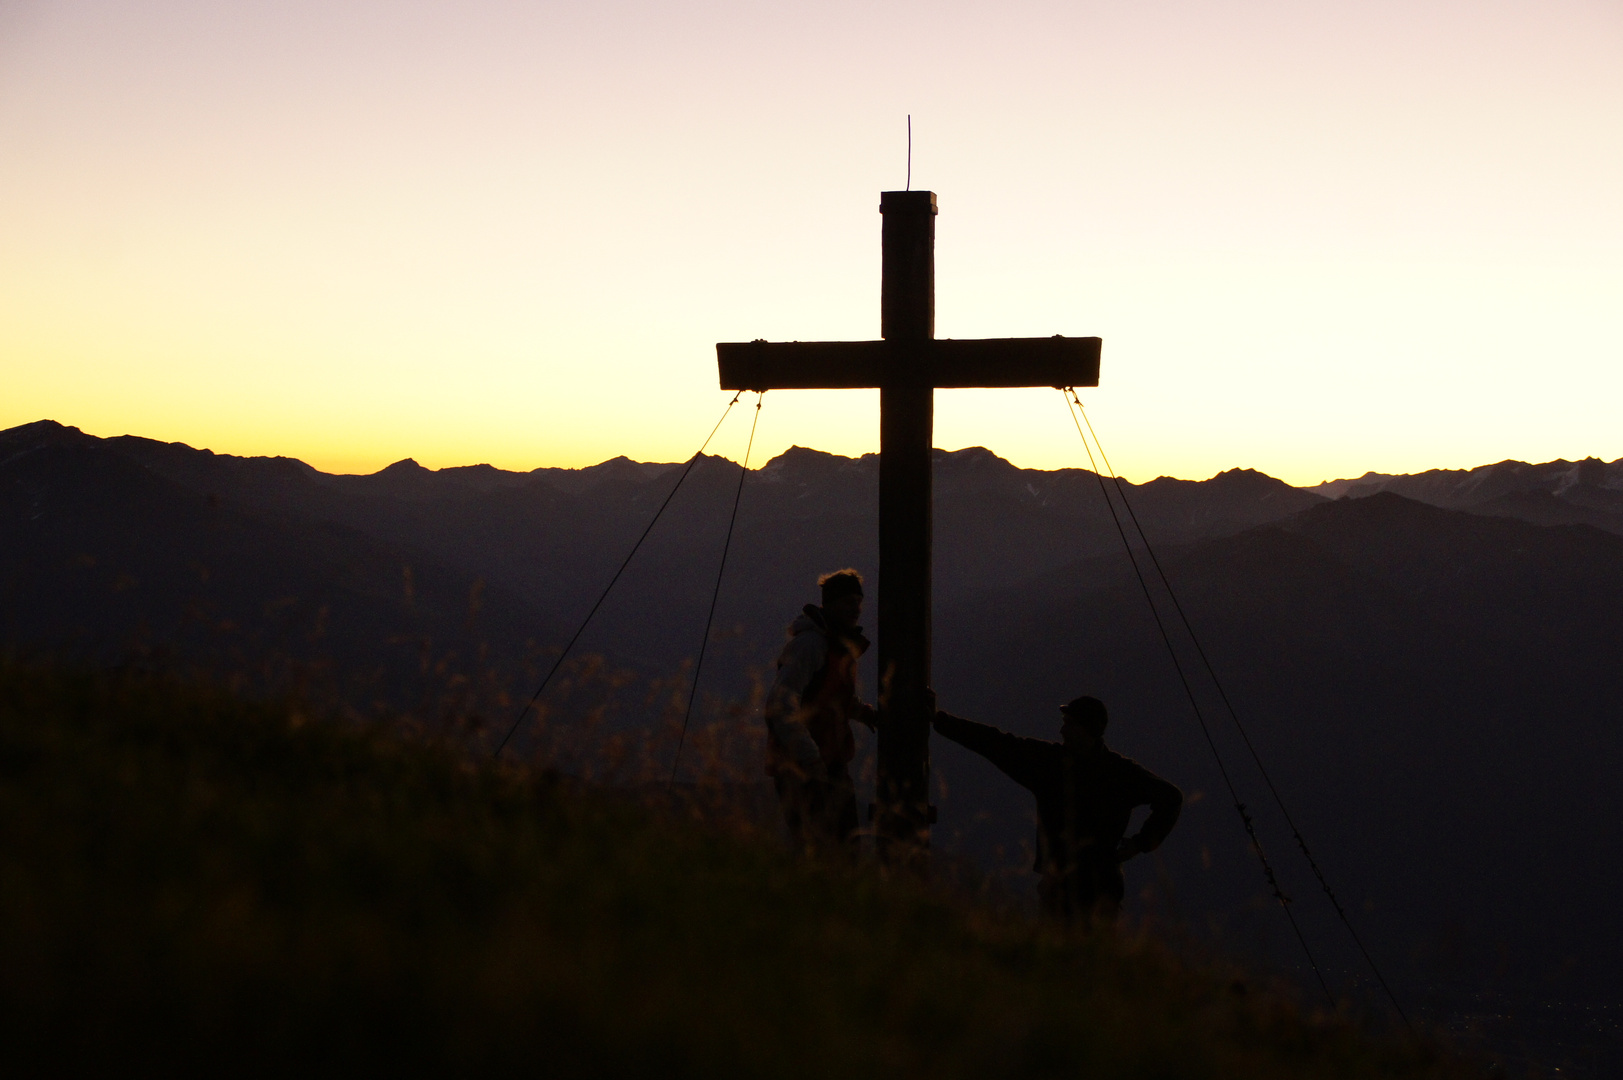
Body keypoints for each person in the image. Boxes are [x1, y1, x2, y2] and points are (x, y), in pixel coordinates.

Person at [933, 696, 1181, 925]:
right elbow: (995, 743)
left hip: (1077, 889)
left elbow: (1170, 798)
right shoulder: (1116, 772)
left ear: (1087, 729)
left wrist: (1140, 844)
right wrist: (941, 721)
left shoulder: (1054, 765)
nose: (1062, 730)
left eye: (1069, 724)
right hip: (1090, 888)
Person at [762, 569, 878, 854]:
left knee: (840, 853)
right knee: (826, 854)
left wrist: (863, 713)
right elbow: (780, 705)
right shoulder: (810, 646)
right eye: (848, 602)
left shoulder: (835, 646)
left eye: (858, 602)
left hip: (828, 766)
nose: (856, 609)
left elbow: (830, 696)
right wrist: (809, 757)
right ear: (830, 604)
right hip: (804, 770)